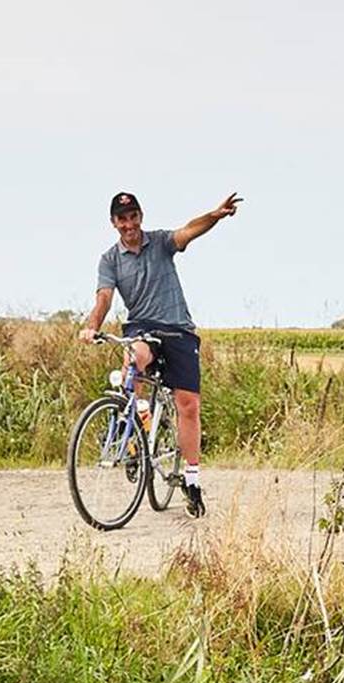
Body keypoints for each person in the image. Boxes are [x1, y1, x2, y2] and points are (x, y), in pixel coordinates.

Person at [79, 190, 242, 518]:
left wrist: (215, 215)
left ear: (140, 216)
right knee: (133, 358)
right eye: (122, 219)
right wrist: (91, 326)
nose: (129, 224)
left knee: (188, 405)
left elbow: (189, 231)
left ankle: (192, 480)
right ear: (113, 222)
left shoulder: (161, 243)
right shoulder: (110, 260)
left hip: (178, 328)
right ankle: (134, 430)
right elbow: (104, 299)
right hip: (142, 328)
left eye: (133, 217)